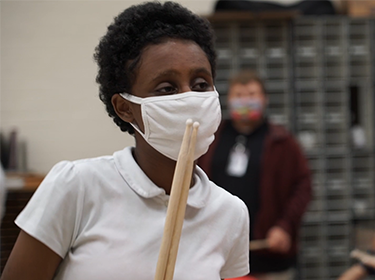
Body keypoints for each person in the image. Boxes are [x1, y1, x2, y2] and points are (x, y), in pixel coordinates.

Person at [1, 2, 250, 280]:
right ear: (124, 107)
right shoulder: (77, 187)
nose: (188, 96)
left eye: (201, 84)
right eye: (167, 88)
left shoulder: (230, 213)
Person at [199, 70, 312, 280]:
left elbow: (303, 187)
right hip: (219, 254)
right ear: (229, 100)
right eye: (239, 95)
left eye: (251, 95)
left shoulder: (282, 142)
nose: (245, 101)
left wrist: (285, 227)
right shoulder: (211, 139)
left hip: (268, 256)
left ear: (264, 99)